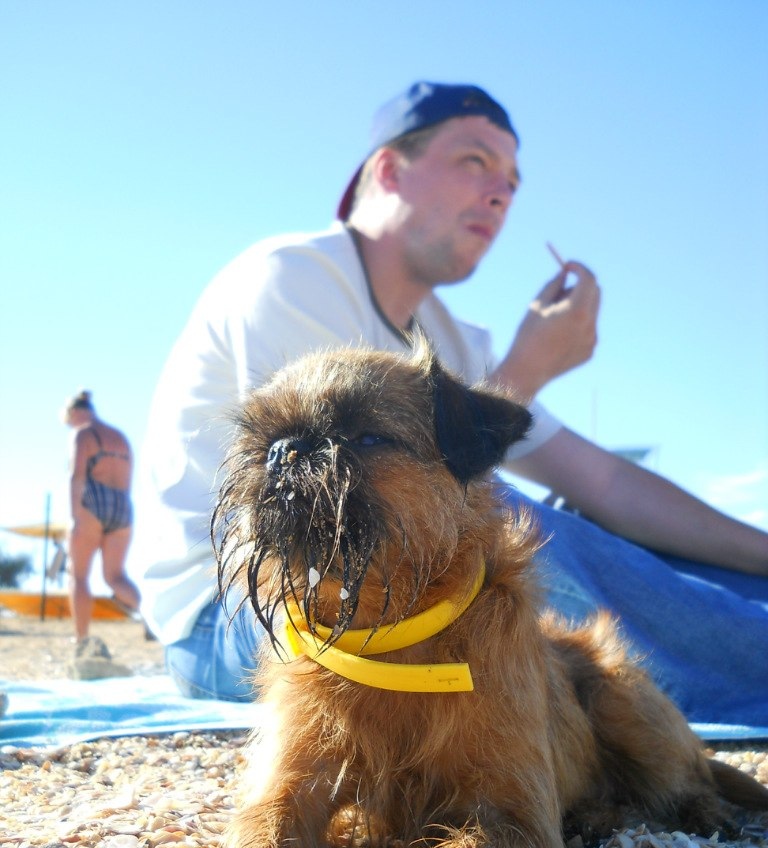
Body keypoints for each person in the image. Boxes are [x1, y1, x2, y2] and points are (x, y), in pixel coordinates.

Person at [135, 82, 768, 727]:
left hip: (392, 587)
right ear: (388, 168)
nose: (500, 194)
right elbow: (339, 520)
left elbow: (607, 483)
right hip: (233, 617)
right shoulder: (294, 277)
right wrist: (528, 371)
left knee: (603, 527)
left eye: (513, 183)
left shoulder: (453, 338)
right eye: (475, 162)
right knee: (508, 528)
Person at [64, 390, 141, 658]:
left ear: (75, 413)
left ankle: (81, 640)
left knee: (79, 575)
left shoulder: (83, 434)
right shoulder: (120, 437)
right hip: (122, 504)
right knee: (115, 577)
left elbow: (77, 476)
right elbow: (128, 481)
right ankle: (148, 619)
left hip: (94, 500)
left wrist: (76, 517)